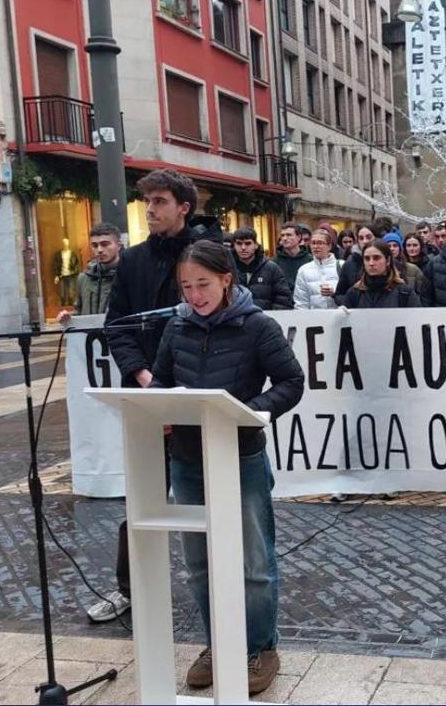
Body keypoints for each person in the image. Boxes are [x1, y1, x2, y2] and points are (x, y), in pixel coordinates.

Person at [151, 240, 304, 694]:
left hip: (241, 456)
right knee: (198, 563)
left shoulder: (258, 327)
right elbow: (161, 378)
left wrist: (249, 410)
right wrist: (158, 406)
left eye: (203, 285)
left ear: (226, 280)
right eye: (186, 287)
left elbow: (292, 382)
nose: (195, 295)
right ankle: (218, 642)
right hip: (188, 458)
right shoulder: (175, 327)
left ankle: (259, 647)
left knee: (254, 561)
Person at [96, 169, 220, 623]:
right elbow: (118, 326)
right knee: (142, 498)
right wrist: (146, 380)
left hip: (198, 398)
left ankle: (219, 579)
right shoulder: (131, 262)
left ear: (183, 207)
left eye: (160, 201)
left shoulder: (205, 255)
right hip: (148, 398)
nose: (150, 210)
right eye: (146, 201)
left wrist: (181, 392)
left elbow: (219, 326)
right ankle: (130, 588)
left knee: (209, 495)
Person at [57, 222, 121, 325]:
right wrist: (68, 317)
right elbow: (79, 311)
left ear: (118, 245)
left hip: (119, 337)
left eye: (105, 244)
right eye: (94, 245)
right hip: (90, 338)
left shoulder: (129, 276)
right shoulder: (83, 279)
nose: (99, 250)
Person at [341, 241, 422, 308]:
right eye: (367, 258)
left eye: (376, 258)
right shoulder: (354, 293)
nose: (371, 263)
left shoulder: (404, 292)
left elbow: (418, 321)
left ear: (388, 261)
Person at [231, 227, 293, 311]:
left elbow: (283, 300)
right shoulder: (227, 268)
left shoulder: (271, 268)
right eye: (239, 243)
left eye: (248, 243)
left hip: (265, 319)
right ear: (234, 246)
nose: (243, 247)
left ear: (256, 245)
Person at [293, 229, 343, 309]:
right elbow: (301, 303)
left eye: (320, 243)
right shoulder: (303, 270)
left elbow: (351, 297)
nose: (316, 247)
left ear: (329, 246)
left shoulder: (342, 266)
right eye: (313, 243)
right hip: (314, 319)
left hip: (339, 317)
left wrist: (335, 293)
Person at [334, 224, 376, 302]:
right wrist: (348, 304)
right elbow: (339, 294)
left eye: (368, 237)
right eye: (361, 238)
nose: (365, 241)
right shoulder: (349, 264)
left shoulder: (390, 262)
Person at [385, 231, 425, 297]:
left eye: (395, 245)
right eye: (388, 246)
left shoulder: (413, 269)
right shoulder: (380, 270)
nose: (392, 249)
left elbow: (422, 293)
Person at [273, 223, 312, 289]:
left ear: (299, 237)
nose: (285, 238)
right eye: (282, 235)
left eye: (289, 235)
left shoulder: (310, 260)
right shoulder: (275, 262)